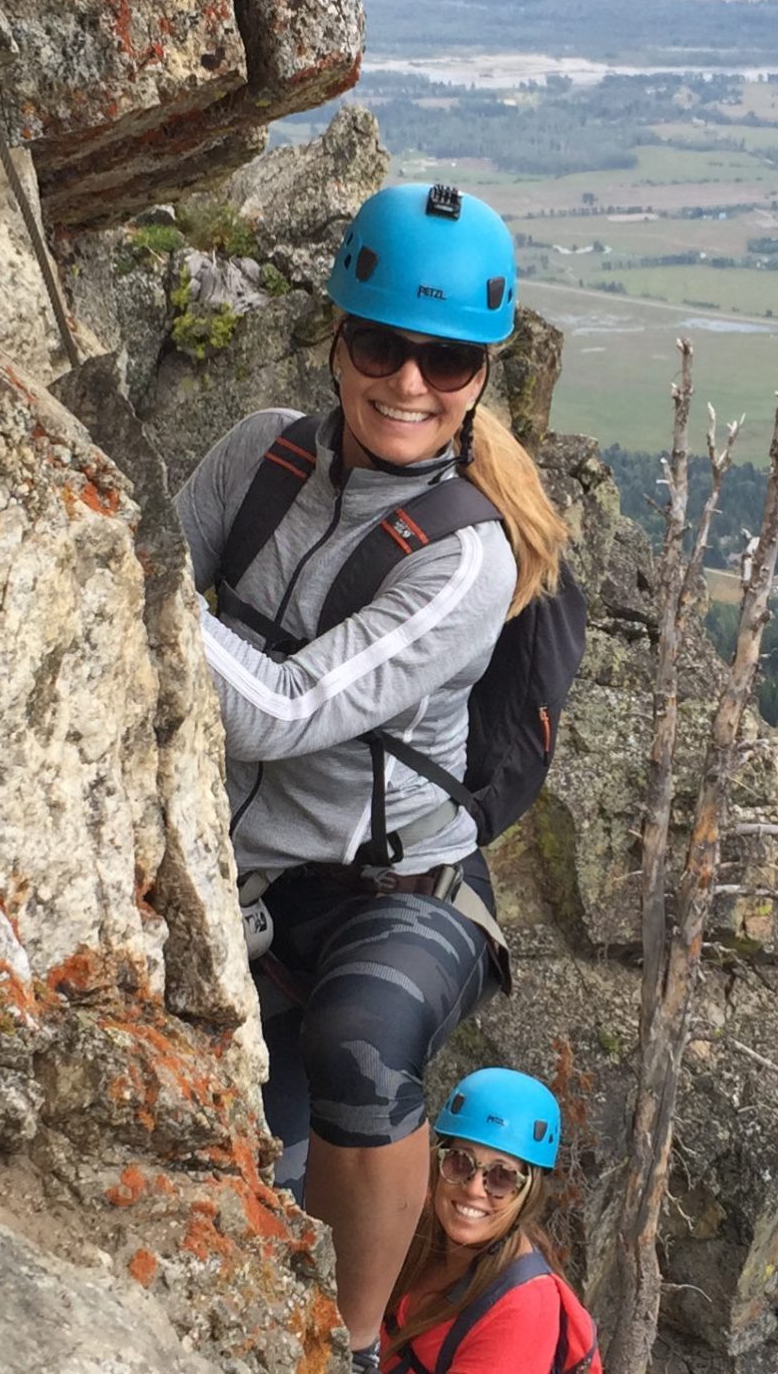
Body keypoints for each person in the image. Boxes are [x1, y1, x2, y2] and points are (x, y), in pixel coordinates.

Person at [173, 184, 571, 1370]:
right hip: (241, 876)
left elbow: (281, 715)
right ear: (335, 338)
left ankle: (350, 1348)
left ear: (482, 376)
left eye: (447, 360)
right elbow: (165, 570)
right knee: (259, 1171)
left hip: (395, 895)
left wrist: (128, 560)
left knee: (359, 1046)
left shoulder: (463, 559)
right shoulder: (258, 457)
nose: (409, 383)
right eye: (380, 344)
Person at [382, 1068, 601, 1374]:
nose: (473, 1189)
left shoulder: (523, 1310)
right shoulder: (416, 1226)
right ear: (439, 1161)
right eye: (460, 1162)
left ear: (527, 1191)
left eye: (501, 1177)